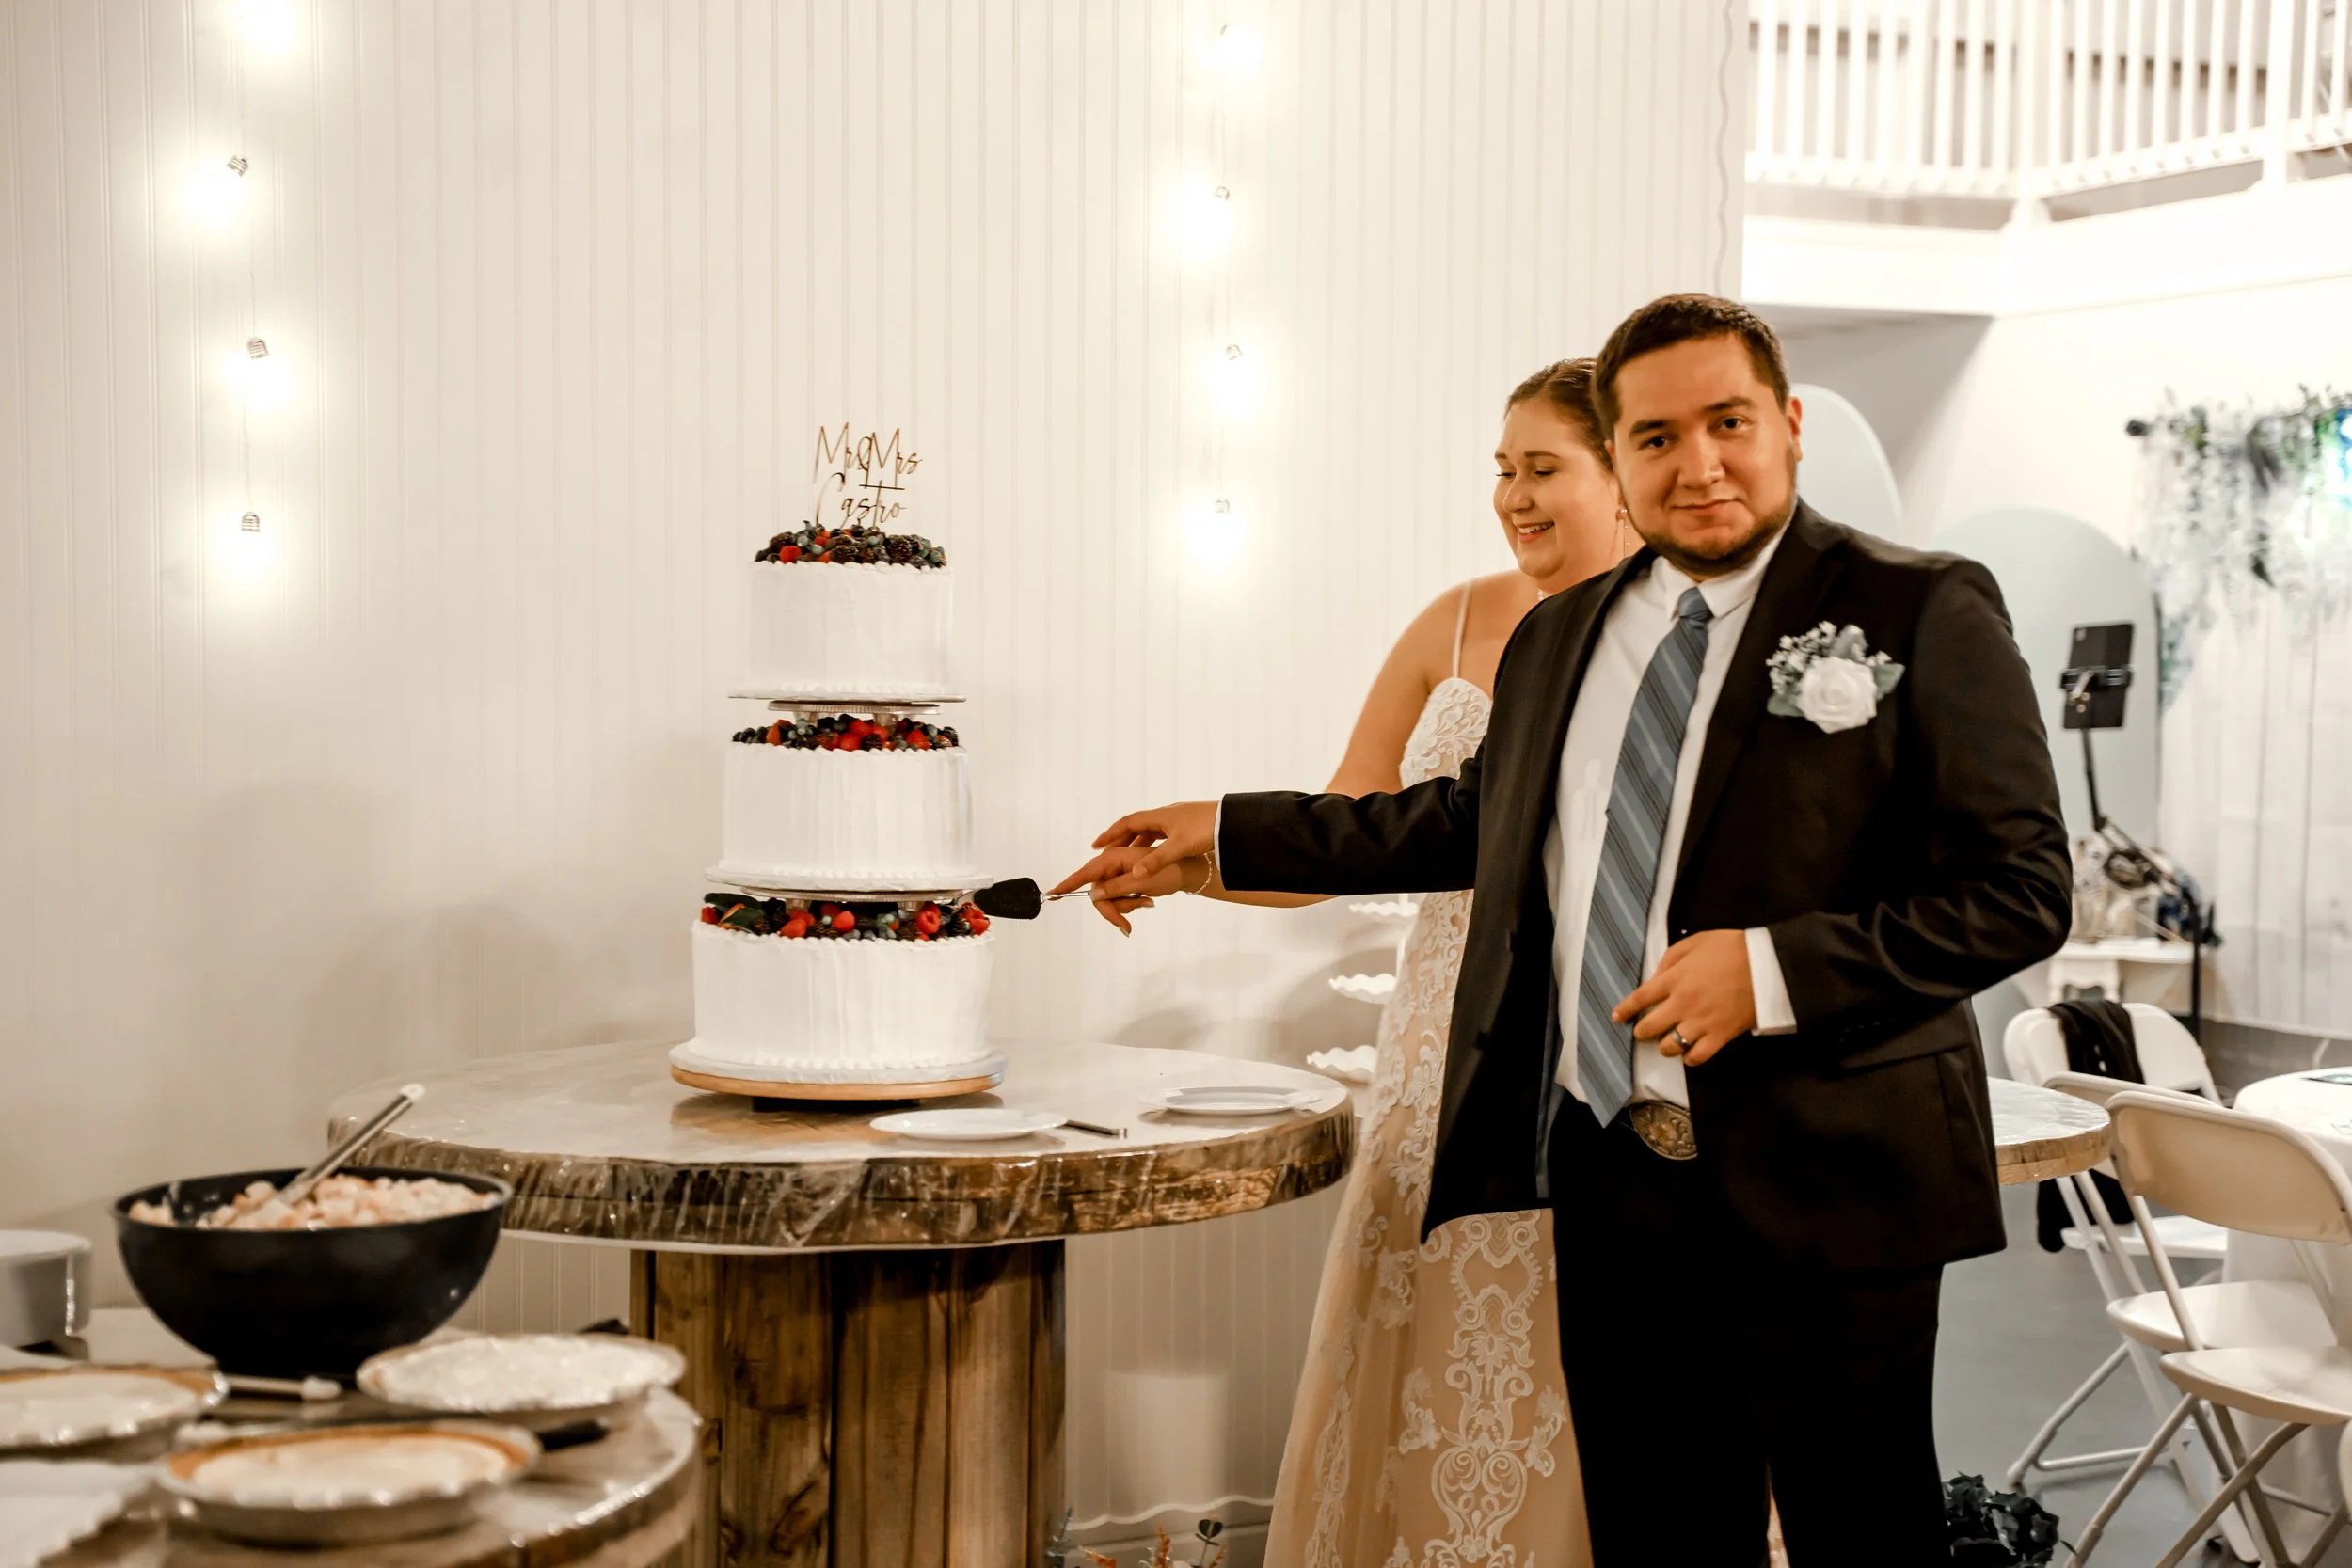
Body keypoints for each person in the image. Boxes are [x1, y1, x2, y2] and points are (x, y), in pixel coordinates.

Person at [1062, 295, 2073, 1567]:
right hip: (1614, 1171)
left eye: (1729, 423)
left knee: (1856, 1529)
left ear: (1790, 426)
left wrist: (1770, 970)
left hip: (1830, 1171)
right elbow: (1460, 823)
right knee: (1655, 1528)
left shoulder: (1918, 607)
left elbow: (2023, 884)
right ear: (1625, 452)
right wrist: (1225, 836)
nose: (1697, 462)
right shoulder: (1562, 633)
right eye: (1657, 436)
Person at [1058, 361, 1631, 1566]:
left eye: (1543, 469)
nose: (1513, 497)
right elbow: (1351, 834)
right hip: (1434, 1032)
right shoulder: (1457, 620)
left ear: (1619, 472)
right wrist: (1194, 862)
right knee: (1424, 1324)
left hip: (1585, 1038)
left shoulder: (1659, 637)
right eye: (1501, 469)